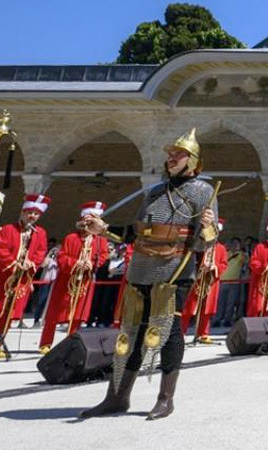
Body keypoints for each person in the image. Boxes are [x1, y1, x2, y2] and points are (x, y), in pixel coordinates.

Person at [80, 128, 219, 421]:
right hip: (141, 270)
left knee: (167, 333)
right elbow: (136, 233)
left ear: (193, 161)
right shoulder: (154, 192)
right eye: (170, 154)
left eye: (178, 154)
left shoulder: (203, 192)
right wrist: (104, 230)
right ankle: (117, 397)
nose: (171, 158)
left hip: (174, 271)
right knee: (130, 333)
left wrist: (208, 226)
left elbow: (206, 243)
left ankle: (165, 399)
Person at [38, 201, 110, 352]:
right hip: (66, 280)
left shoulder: (100, 241)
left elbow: (103, 257)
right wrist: (76, 263)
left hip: (85, 281)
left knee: (78, 315)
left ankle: (71, 344)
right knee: (54, 313)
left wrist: (91, 264)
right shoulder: (71, 238)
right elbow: (62, 257)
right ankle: (45, 343)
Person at [0, 193, 51, 353]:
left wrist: (32, 263)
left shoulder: (40, 233)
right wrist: (14, 262)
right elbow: (1, 248)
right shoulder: (8, 229)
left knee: (9, 312)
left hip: (22, 279)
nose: (32, 216)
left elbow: (41, 251)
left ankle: (0, 341)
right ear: (22, 212)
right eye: (30, 212)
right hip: (5, 276)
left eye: (36, 214)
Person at [180, 220, 228, 343]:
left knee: (207, 309)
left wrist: (214, 267)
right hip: (197, 279)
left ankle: (203, 333)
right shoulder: (200, 245)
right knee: (189, 307)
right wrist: (201, 265)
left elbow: (223, 264)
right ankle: (181, 332)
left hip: (211, 281)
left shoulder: (221, 248)